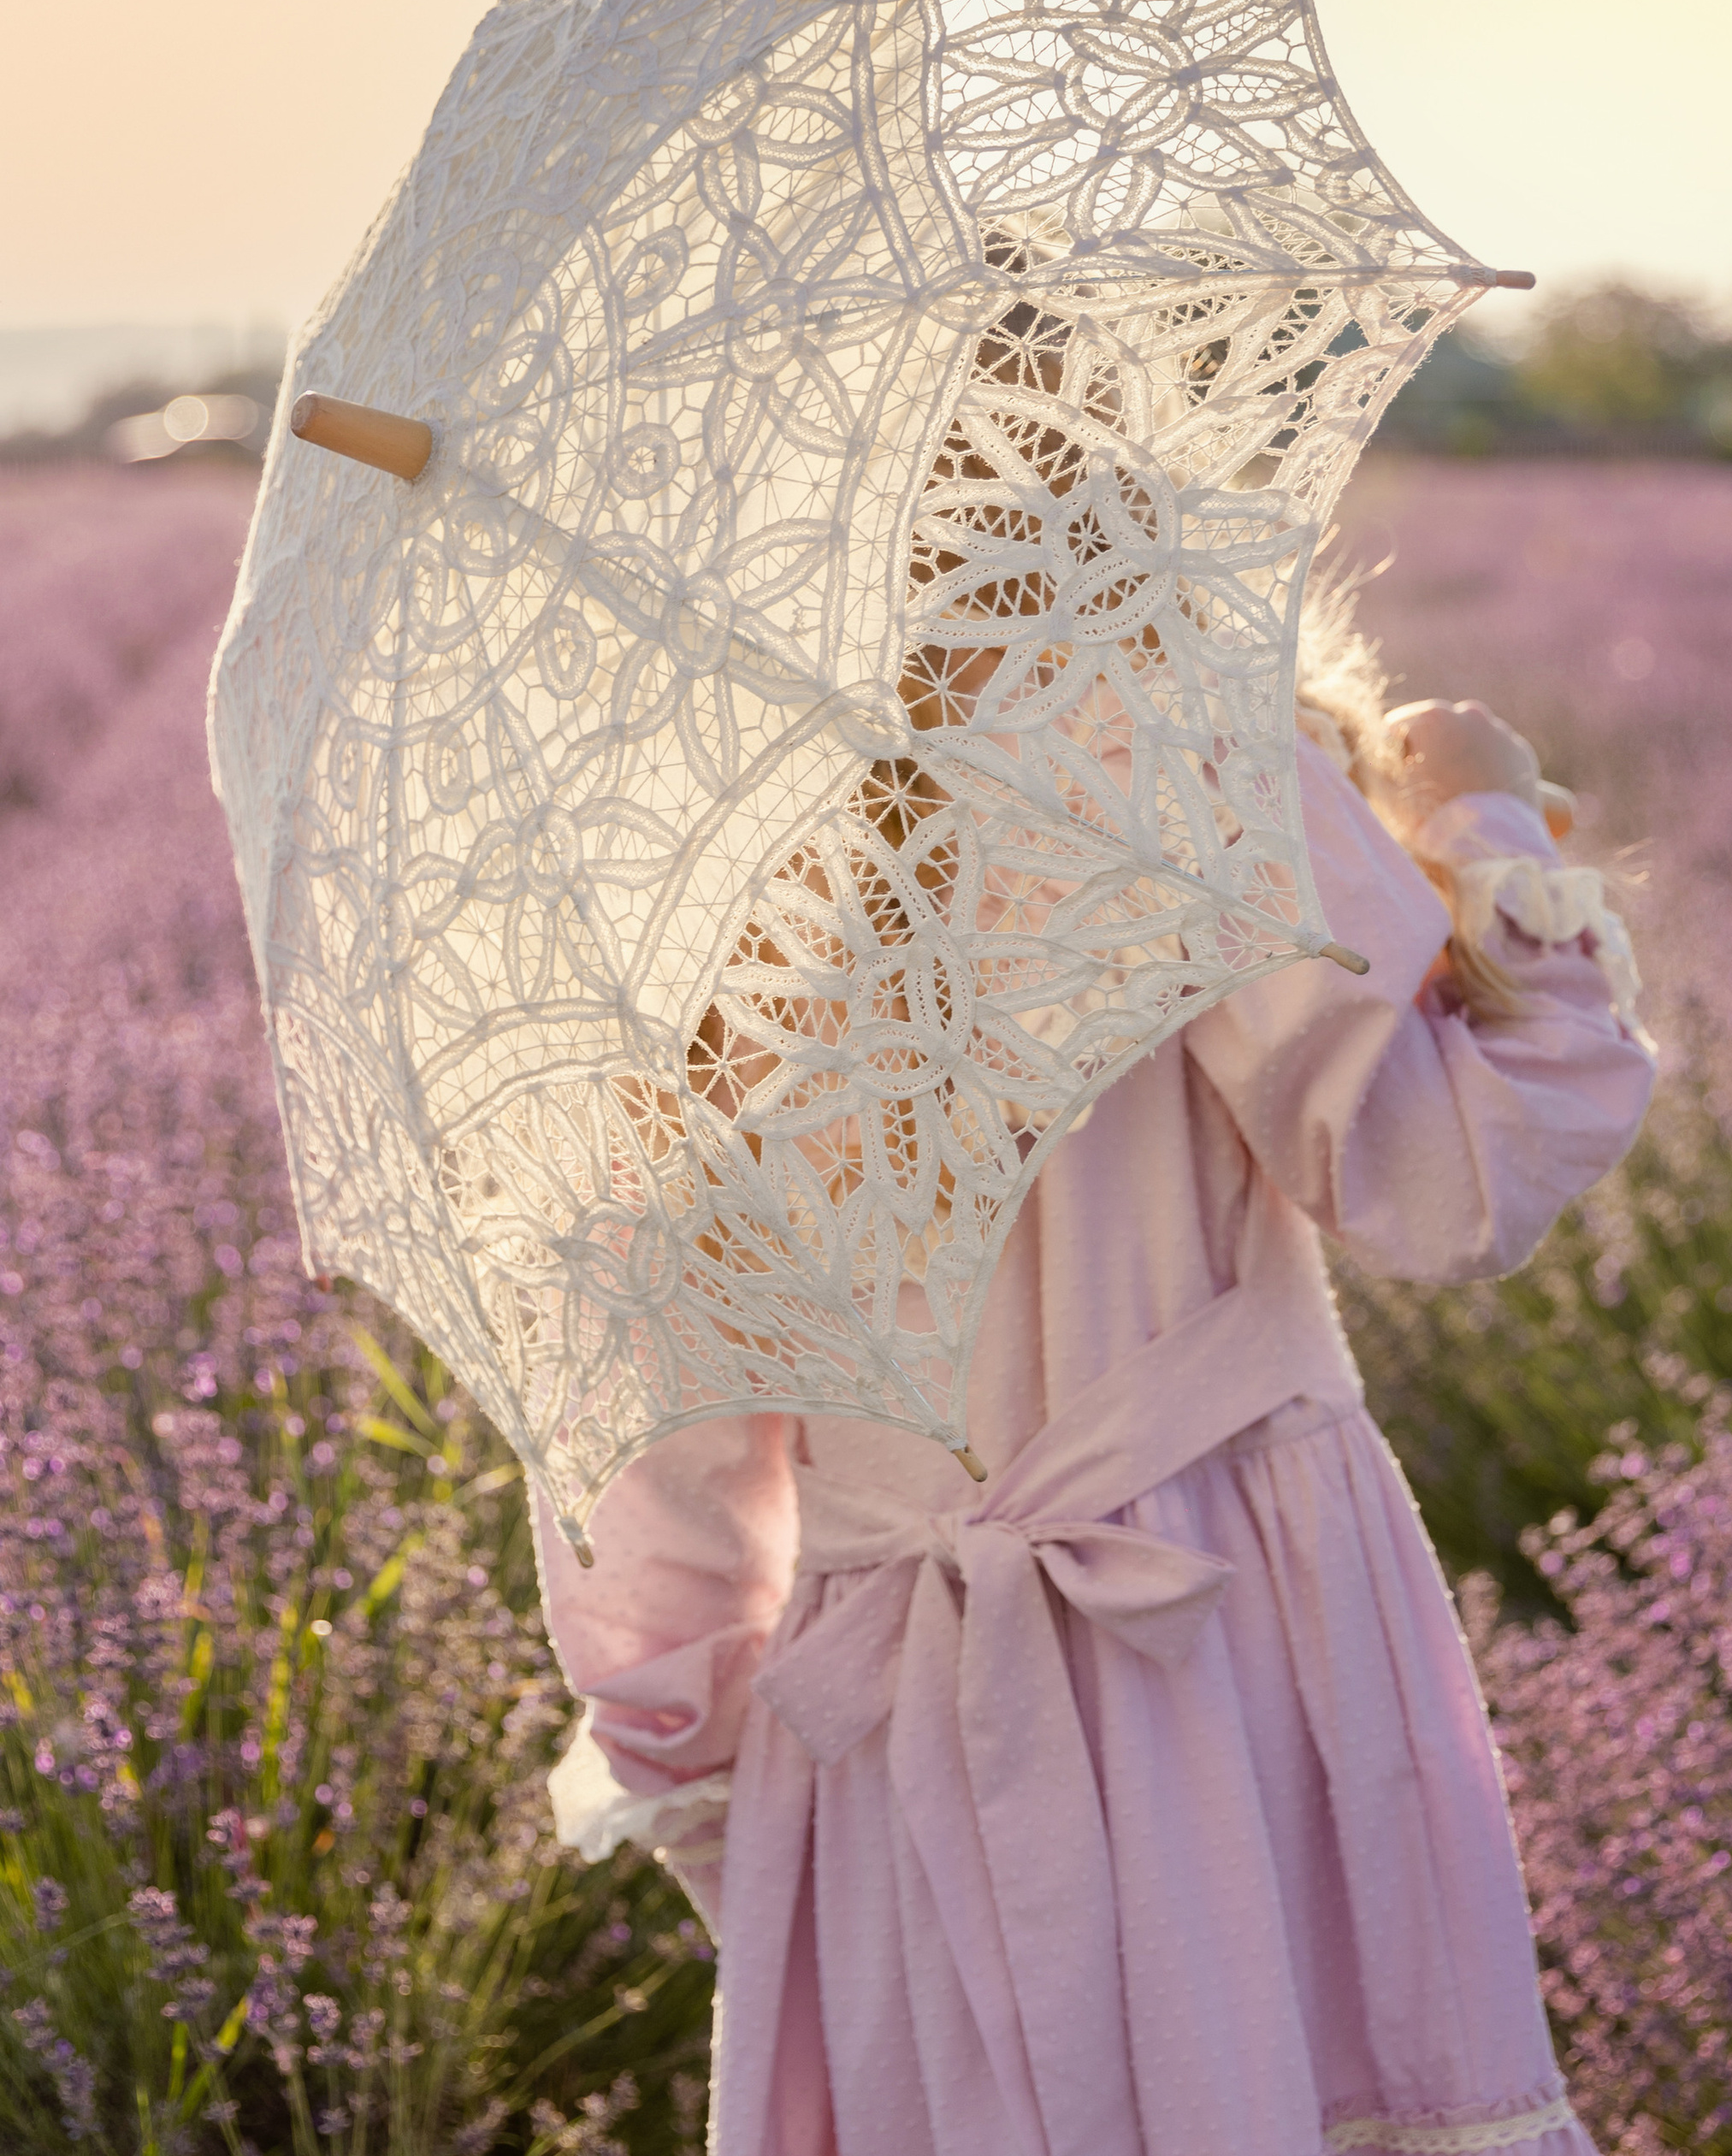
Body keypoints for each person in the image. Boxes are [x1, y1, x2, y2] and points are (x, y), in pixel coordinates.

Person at [532, 553, 1658, 2156]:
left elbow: (655, 1436)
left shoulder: (661, 876)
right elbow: (1447, 1182)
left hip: (897, 1708)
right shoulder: (1180, 753)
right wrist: (1492, 834)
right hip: (1228, 1624)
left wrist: (712, 1768)